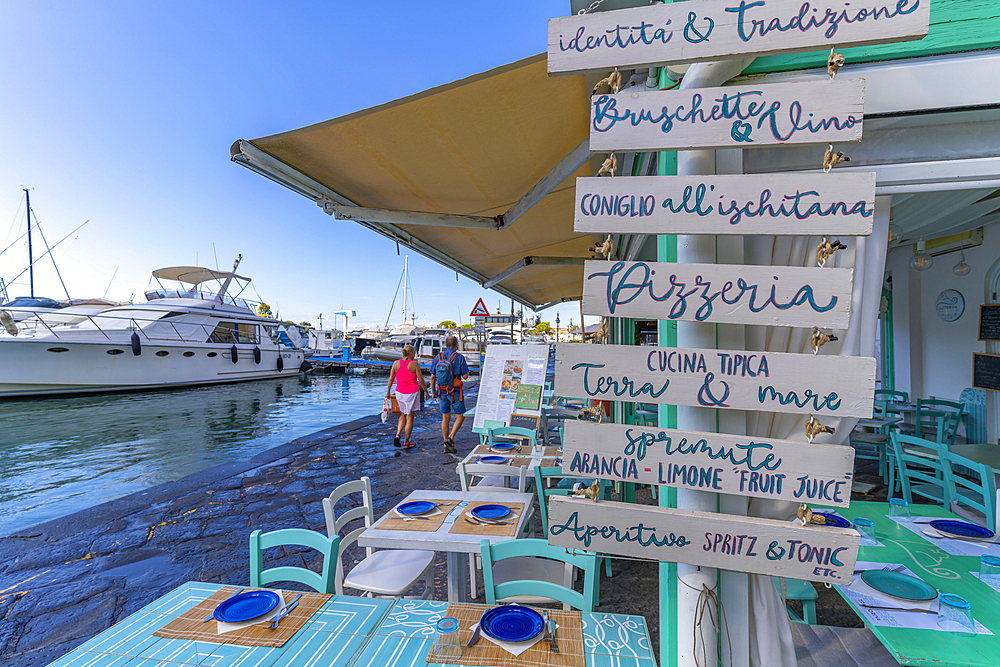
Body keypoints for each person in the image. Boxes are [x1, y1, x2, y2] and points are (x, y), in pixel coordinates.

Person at [430, 336, 470, 454]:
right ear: (456, 345)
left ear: (445, 345)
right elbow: (465, 376)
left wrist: (433, 392)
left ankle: (445, 444)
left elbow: (432, 377)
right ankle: (450, 438)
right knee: (460, 416)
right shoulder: (459, 357)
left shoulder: (438, 357)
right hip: (455, 392)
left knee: (445, 418)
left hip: (441, 391)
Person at [386, 345, 426, 449]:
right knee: (410, 418)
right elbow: (421, 380)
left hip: (399, 392)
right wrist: (426, 391)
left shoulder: (395, 363)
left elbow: (391, 379)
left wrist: (388, 392)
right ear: (411, 353)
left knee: (402, 415)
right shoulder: (414, 364)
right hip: (411, 393)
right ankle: (406, 442)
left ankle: (398, 434)